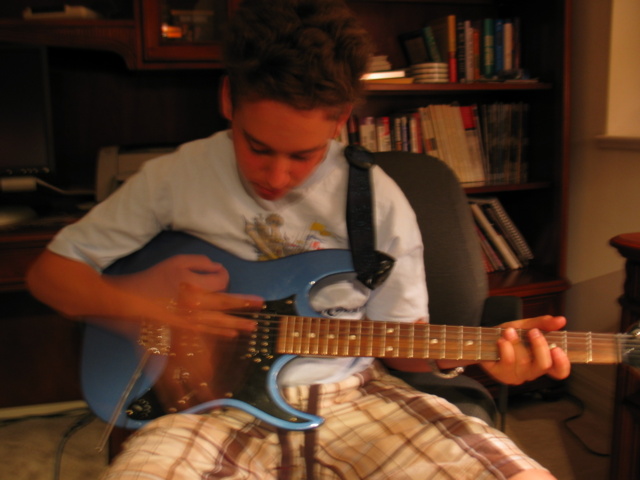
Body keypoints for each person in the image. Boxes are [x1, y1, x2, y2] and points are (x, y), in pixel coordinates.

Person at [26, 0, 570, 478]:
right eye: (258, 147)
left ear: (340, 123)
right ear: (227, 100)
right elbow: (50, 275)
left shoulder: (378, 201)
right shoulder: (175, 178)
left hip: (356, 398)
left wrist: (479, 356)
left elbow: (407, 352)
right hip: (208, 410)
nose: (277, 178)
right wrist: (152, 309)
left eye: (303, 156)